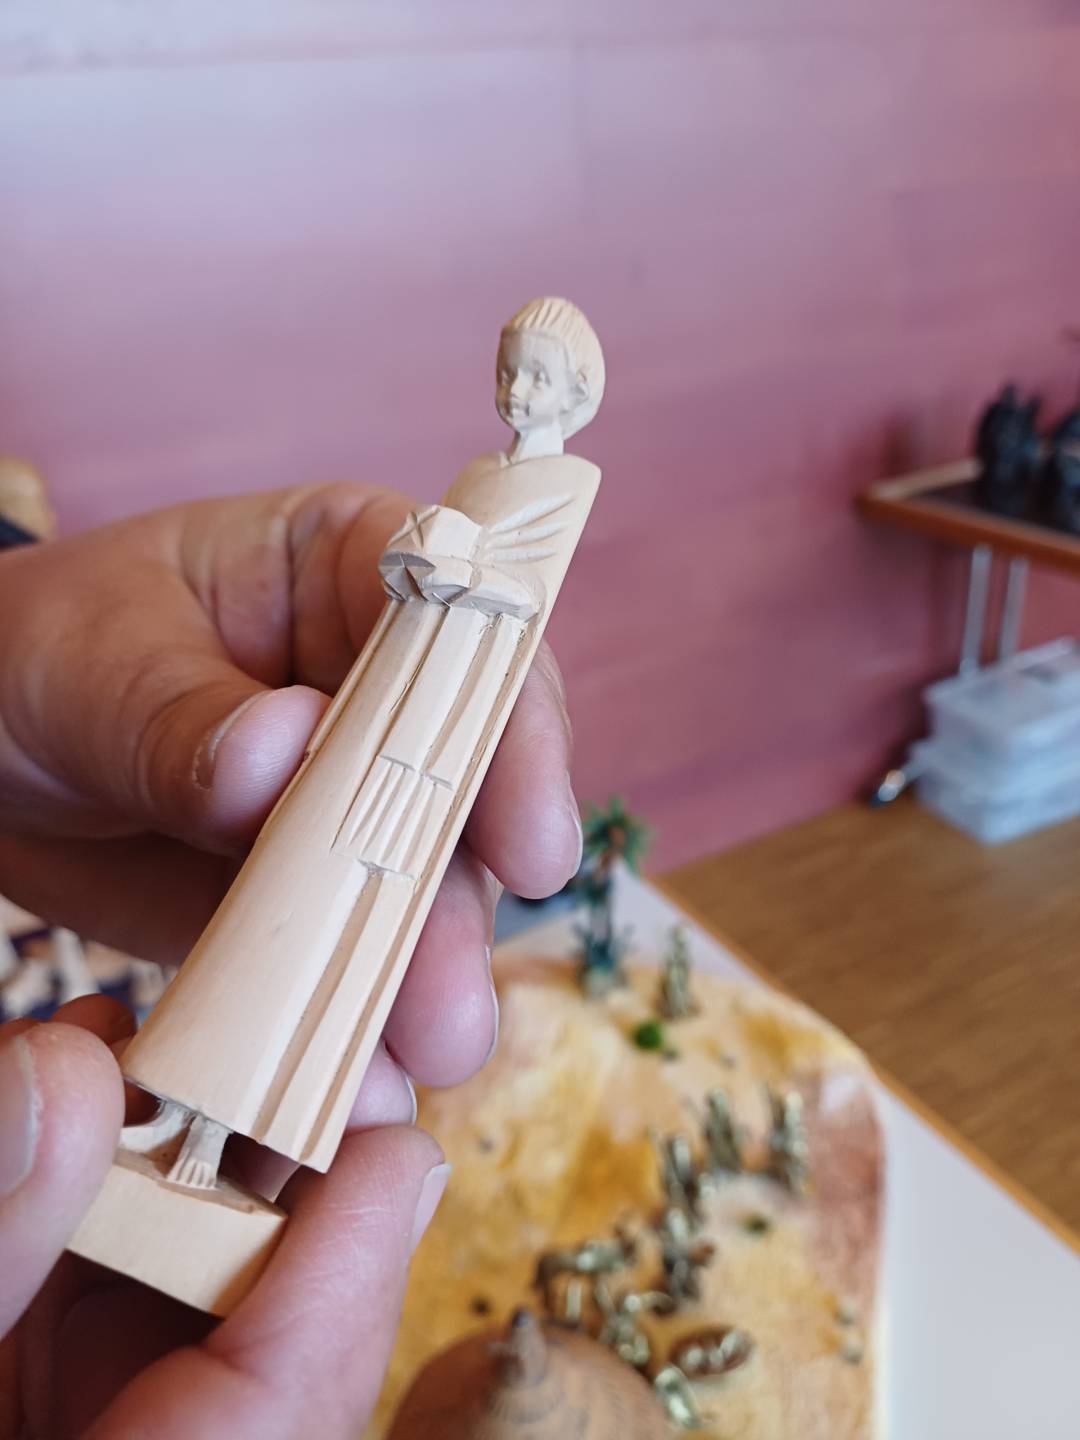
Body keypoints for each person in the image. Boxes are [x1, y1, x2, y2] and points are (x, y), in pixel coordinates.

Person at [0, 481, 581, 1437]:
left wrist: (461, 576)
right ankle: (167, 1136)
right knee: (243, 970)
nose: (525, 406)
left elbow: (515, 601)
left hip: (409, 776)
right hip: (364, 749)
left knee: (308, 992)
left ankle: (208, 1165)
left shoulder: (557, 499)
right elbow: (414, 567)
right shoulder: (482, 487)